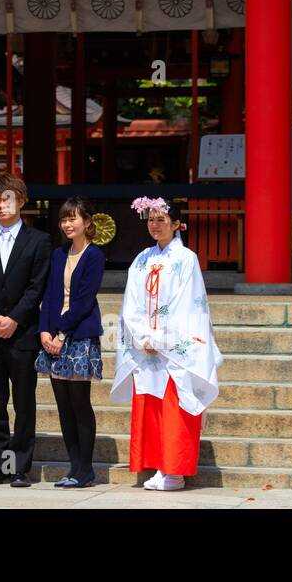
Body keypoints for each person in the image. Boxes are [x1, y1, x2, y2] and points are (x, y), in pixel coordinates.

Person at [111, 197, 223, 492]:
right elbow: (130, 301)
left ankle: (175, 471)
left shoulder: (187, 259)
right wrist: (141, 335)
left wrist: (161, 338)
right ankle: (159, 466)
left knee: (176, 405)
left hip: (174, 346)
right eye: (150, 219)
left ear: (176, 224)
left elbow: (190, 304)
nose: (155, 225)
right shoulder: (141, 259)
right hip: (146, 346)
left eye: (162, 219)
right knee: (152, 405)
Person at [0, 172, 50, 488]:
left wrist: (15, 318)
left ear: (21, 201)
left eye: (6, 199)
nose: (1, 206)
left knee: (23, 403)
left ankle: (19, 467)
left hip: (23, 333)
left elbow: (37, 286)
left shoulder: (39, 240)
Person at [37, 196, 105, 489]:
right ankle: (72, 466)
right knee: (63, 406)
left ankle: (85, 470)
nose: (67, 224)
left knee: (79, 404)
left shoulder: (94, 256)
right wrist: (44, 332)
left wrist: (61, 333)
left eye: (73, 218)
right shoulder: (58, 254)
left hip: (77, 337)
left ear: (87, 222)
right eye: (64, 219)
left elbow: (83, 301)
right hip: (53, 336)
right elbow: (50, 295)